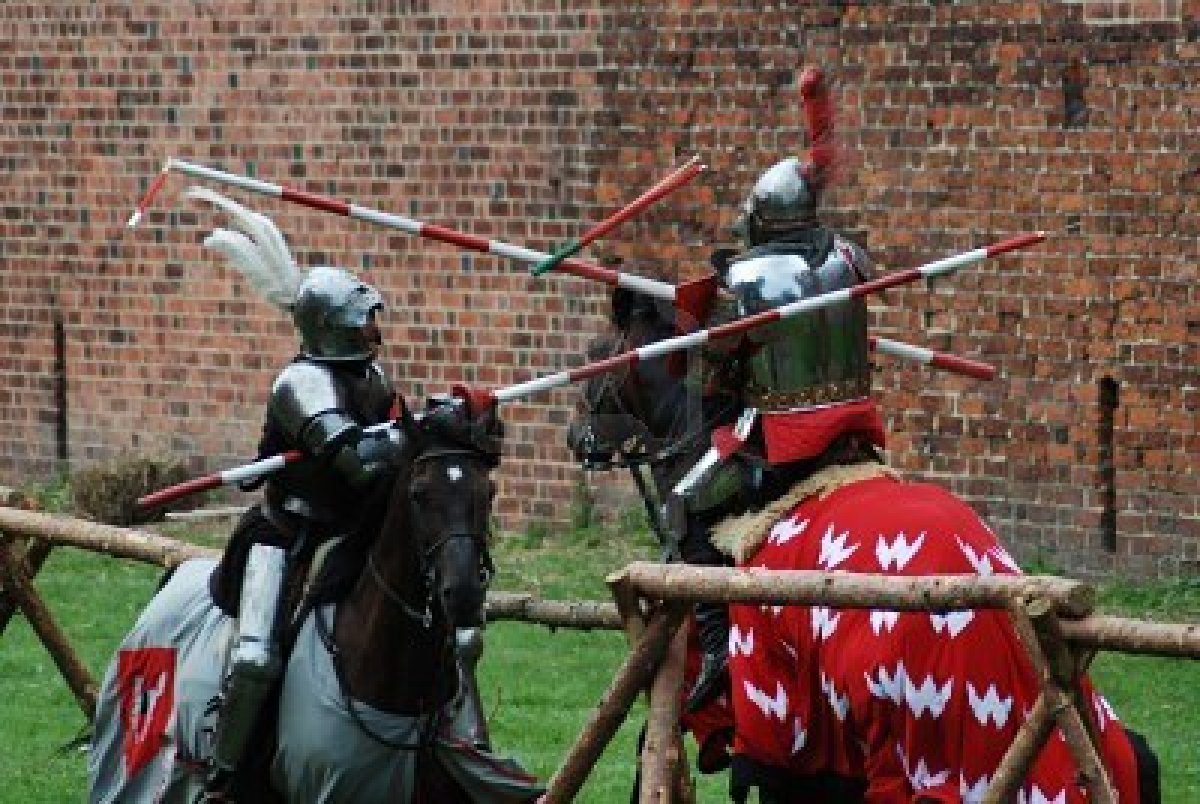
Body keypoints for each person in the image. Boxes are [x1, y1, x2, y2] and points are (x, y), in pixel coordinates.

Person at [185, 189, 410, 796]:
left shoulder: (370, 375)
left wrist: (426, 426)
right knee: (256, 659)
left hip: (351, 528)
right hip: (287, 533)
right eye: (363, 320)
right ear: (332, 326)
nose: (373, 328)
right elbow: (361, 465)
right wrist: (400, 438)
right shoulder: (301, 383)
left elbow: (394, 434)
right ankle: (224, 775)